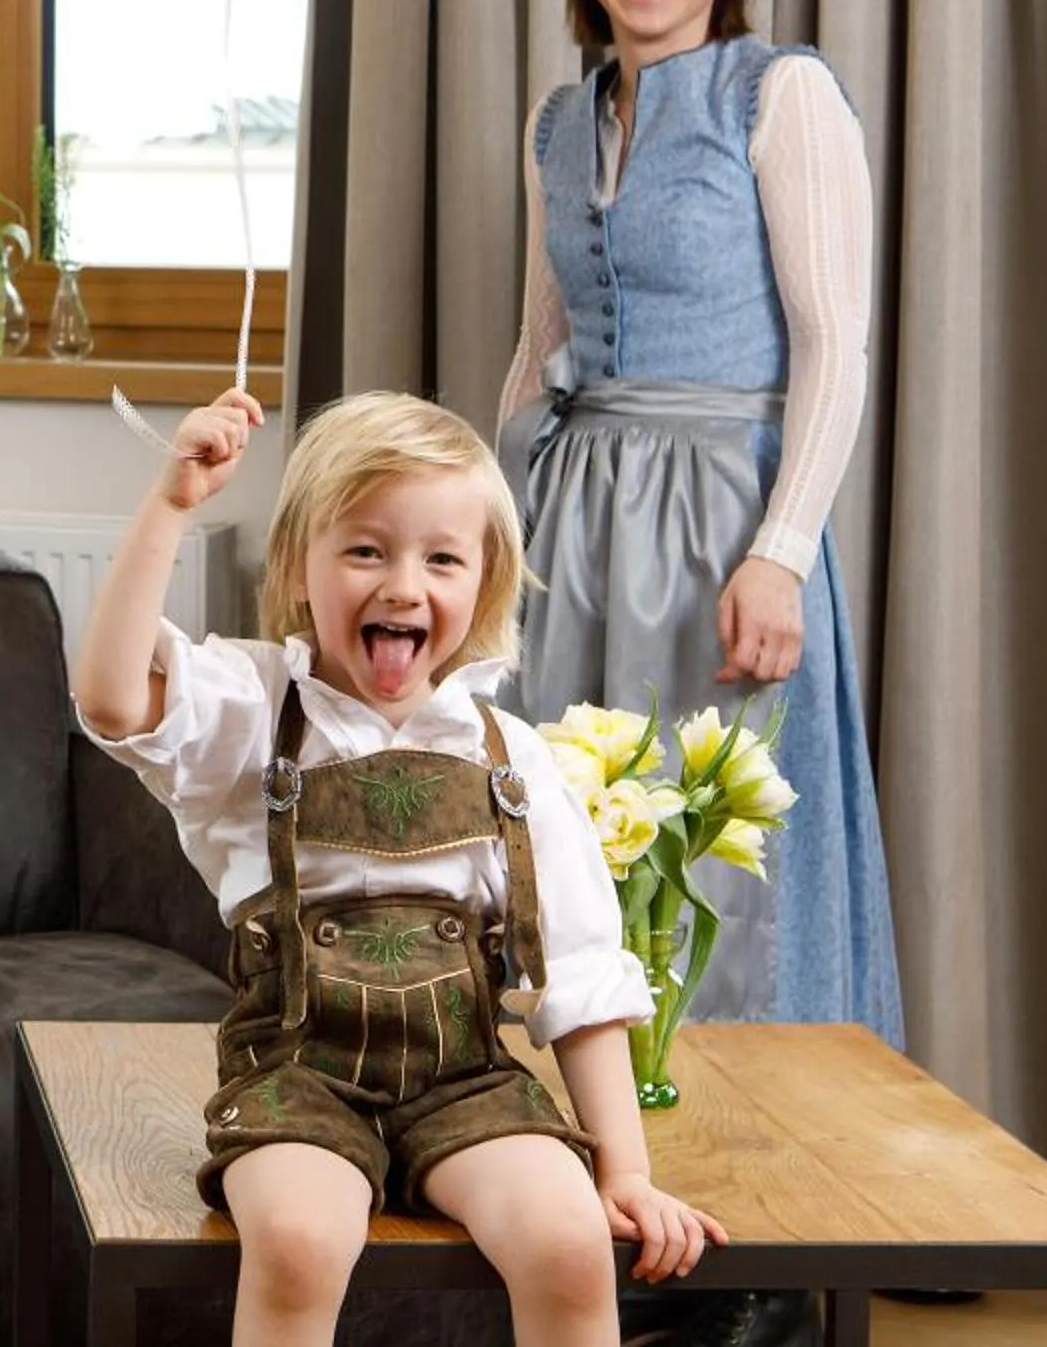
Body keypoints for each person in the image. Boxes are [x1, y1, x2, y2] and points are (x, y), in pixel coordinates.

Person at [75, 387, 722, 1347]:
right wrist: (171, 505)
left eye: (442, 558)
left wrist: (624, 1173)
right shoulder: (253, 709)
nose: (402, 585)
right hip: (297, 1074)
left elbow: (583, 977)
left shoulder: (509, 755)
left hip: (462, 1079)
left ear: (485, 585)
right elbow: (114, 698)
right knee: (298, 1239)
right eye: (366, 549)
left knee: (569, 1240)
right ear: (301, 565)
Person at [497, 0, 904, 1052]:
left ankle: (752, 1213)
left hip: (727, 522)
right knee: (567, 848)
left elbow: (837, 339)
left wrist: (780, 549)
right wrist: (480, 549)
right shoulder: (559, 124)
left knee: (720, 861)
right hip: (572, 530)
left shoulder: (776, 95)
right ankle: (579, 1185)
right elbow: (537, 350)